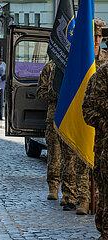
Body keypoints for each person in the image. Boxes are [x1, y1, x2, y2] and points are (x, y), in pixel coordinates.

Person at [83, 18, 108, 235]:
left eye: (100, 36)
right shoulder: (101, 74)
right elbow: (87, 109)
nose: (97, 40)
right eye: (94, 36)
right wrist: (102, 124)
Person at [37, 61, 62, 201]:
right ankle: (54, 187)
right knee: (54, 154)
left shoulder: (81, 61)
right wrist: (56, 94)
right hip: (55, 117)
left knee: (74, 158)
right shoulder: (51, 66)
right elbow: (40, 91)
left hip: (75, 116)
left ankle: (72, 193)